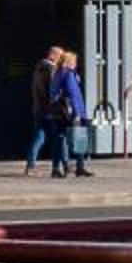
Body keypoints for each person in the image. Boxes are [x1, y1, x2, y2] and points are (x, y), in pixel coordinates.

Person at [46, 50, 88, 178]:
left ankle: (55, 169)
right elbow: (73, 94)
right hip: (71, 112)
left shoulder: (57, 73)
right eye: (74, 61)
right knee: (80, 138)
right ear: (70, 62)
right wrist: (77, 113)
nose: (76, 64)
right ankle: (80, 167)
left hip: (57, 112)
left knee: (59, 140)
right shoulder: (69, 74)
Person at [24, 46, 61, 177]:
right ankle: (61, 166)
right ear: (53, 55)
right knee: (57, 137)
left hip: (38, 108)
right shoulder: (50, 69)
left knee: (39, 136)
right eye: (60, 56)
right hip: (47, 109)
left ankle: (30, 165)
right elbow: (52, 90)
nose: (61, 59)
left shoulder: (38, 68)